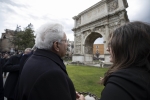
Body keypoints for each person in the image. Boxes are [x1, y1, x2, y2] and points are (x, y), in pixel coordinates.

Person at [16, 23, 84, 100]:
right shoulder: (53, 74)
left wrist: (66, 92)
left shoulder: (32, 59)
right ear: (56, 45)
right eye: (65, 41)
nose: (67, 44)